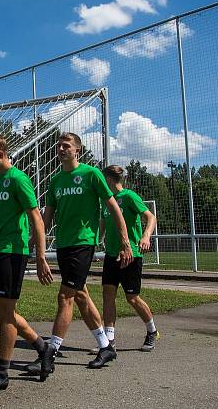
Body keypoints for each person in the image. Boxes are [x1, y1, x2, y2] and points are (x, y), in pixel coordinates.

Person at [29, 133, 133, 378]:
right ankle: (106, 347)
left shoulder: (91, 174)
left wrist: (125, 241)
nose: (61, 149)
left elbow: (114, 208)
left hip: (83, 244)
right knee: (81, 296)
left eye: (66, 146)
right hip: (64, 245)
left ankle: (50, 353)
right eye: (59, 146)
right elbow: (47, 217)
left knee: (65, 296)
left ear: (78, 150)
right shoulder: (55, 181)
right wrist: (34, 241)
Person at [0, 134, 54, 392]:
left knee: (6, 313)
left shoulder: (19, 179)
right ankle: (43, 348)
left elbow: (37, 220)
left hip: (13, 253)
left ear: (1, 153)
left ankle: (2, 372)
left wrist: (40, 256)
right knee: (0, 311)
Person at [100, 165, 160, 351]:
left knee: (132, 298)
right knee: (108, 294)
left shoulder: (129, 197)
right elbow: (103, 224)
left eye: (103, 179)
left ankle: (152, 331)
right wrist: (94, 241)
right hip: (111, 255)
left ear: (109, 180)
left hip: (130, 255)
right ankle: (109, 340)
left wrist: (146, 236)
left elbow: (150, 217)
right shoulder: (106, 201)